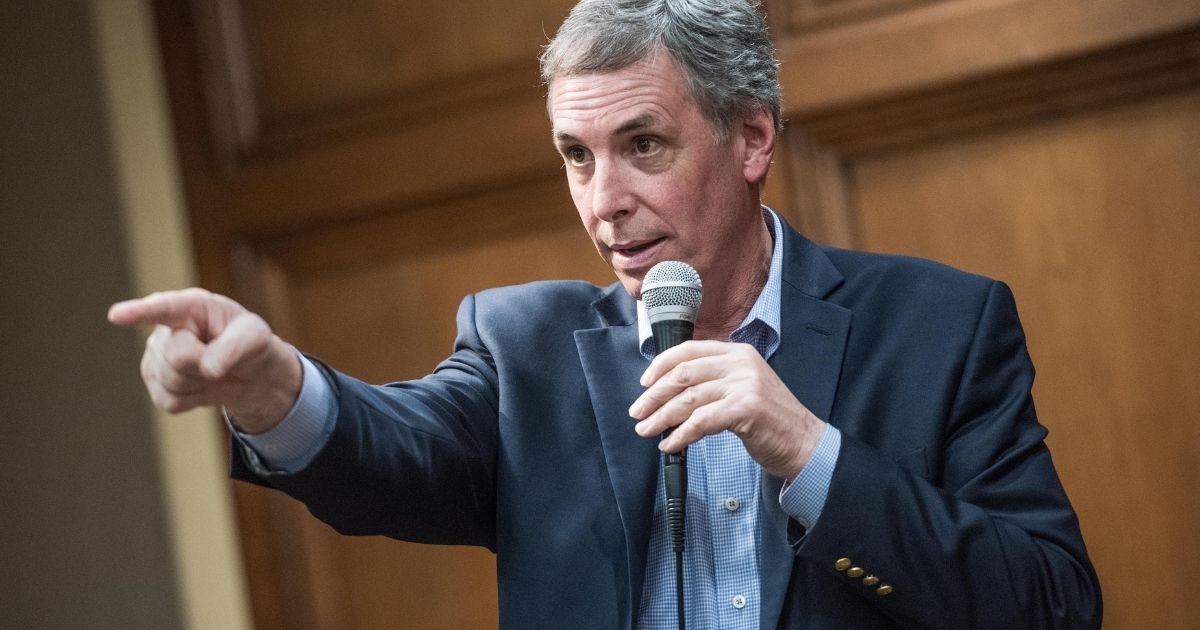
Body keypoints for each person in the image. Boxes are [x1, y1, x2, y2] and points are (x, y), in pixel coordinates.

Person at [109, 0, 1101, 628]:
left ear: (752, 137)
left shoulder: (941, 327)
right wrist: (275, 386)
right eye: (577, 155)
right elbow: (394, 454)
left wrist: (807, 450)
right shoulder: (524, 345)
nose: (602, 199)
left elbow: (1053, 605)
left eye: (643, 145)